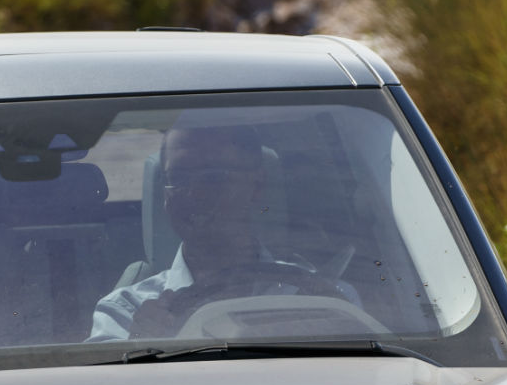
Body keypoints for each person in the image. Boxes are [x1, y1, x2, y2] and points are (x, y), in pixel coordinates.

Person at [89, 124, 331, 343]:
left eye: (214, 178)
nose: (194, 194)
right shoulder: (126, 313)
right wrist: (141, 345)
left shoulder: (317, 298)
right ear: (164, 194)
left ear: (256, 186)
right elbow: (105, 377)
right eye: (178, 178)